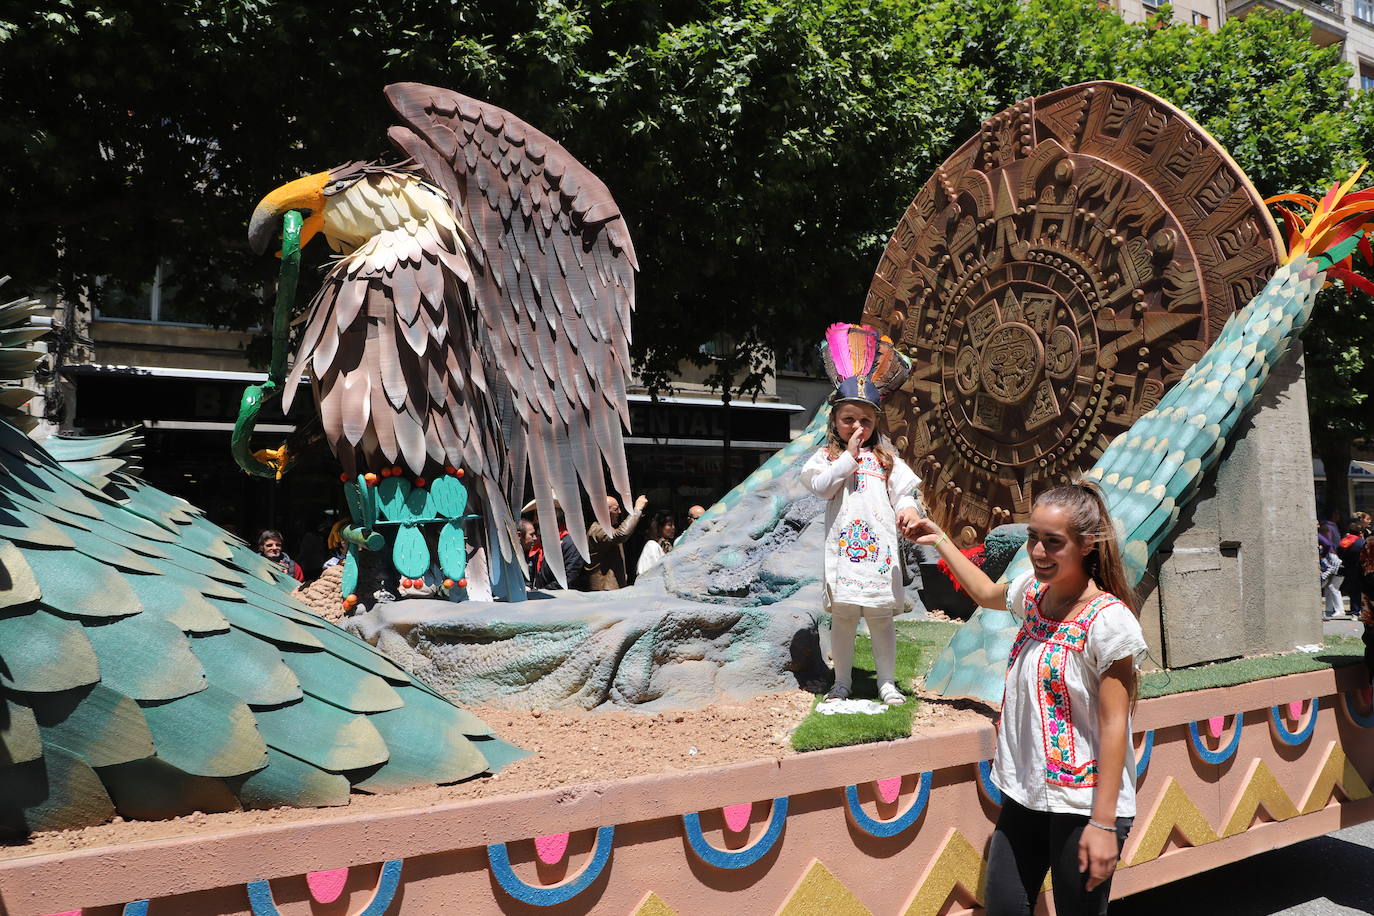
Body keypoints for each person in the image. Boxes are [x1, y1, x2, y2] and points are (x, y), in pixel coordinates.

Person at [907, 482, 1146, 915]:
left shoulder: (1109, 623)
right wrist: (939, 538)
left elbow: (1116, 726)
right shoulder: (1034, 596)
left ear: (1087, 545)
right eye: (1033, 537)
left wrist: (1104, 823)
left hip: (1085, 802)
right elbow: (983, 593)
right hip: (1027, 793)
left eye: (1053, 542)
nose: (1038, 551)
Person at [801, 322, 920, 707]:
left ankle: (886, 682)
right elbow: (821, 487)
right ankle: (843, 682)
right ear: (835, 420)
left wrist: (907, 511)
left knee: (881, 618)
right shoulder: (828, 457)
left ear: (875, 423)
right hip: (845, 554)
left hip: (880, 555)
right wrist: (848, 458)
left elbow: (904, 492)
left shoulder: (886, 458)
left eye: (866, 420)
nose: (858, 426)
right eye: (849, 418)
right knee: (845, 618)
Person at [586, 495, 648, 590]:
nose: (619, 512)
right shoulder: (596, 530)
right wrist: (637, 509)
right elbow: (621, 534)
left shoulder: (607, 529)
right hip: (604, 590)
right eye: (616, 509)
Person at [636, 510, 677, 576]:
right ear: (659, 527)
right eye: (669, 525)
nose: (673, 528)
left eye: (673, 524)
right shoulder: (652, 546)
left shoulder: (667, 546)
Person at [520, 519, 558, 590]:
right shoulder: (509, 557)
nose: (535, 538)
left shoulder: (532, 555)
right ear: (519, 535)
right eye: (531, 535)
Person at [1338, 520, 1366, 617]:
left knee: (1353, 590)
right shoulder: (1361, 543)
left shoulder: (1344, 541)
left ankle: (1354, 610)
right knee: (1363, 590)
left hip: (1348, 569)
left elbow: (1339, 554)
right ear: (1360, 532)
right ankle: (1362, 610)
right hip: (1361, 569)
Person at [1320, 521, 1344, 619]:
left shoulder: (1329, 551)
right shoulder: (1331, 548)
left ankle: (1340, 610)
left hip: (1337, 571)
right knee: (1329, 589)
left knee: (1333, 588)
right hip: (1336, 571)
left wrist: (1324, 577)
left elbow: (1333, 565)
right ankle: (1329, 609)